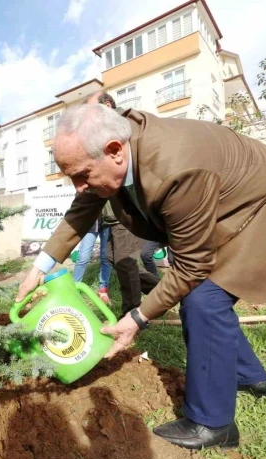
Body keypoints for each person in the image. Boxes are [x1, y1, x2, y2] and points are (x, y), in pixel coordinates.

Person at [15, 104, 266, 450]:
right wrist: (38, 269)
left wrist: (138, 317)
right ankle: (250, 377)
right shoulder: (116, 148)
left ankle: (213, 424)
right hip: (237, 202)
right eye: (70, 176)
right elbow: (82, 209)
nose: (77, 186)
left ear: (115, 152)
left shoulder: (175, 168)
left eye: (82, 174)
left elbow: (192, 265)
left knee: (203, 299)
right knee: (209, 296)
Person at [87, 91, 159, 315]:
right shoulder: (99, 142)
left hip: (127, 214)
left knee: (125, 262)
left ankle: (132, 312)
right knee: (113, 259)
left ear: (107, 105)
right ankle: (161, 291)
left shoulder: (125, 130)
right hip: (109, 217)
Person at [71, 205, 112, 304]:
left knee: (106, 257)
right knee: (83, 257)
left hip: (108, 222)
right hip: (91, 222)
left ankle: (103, 290)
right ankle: (74, 289)